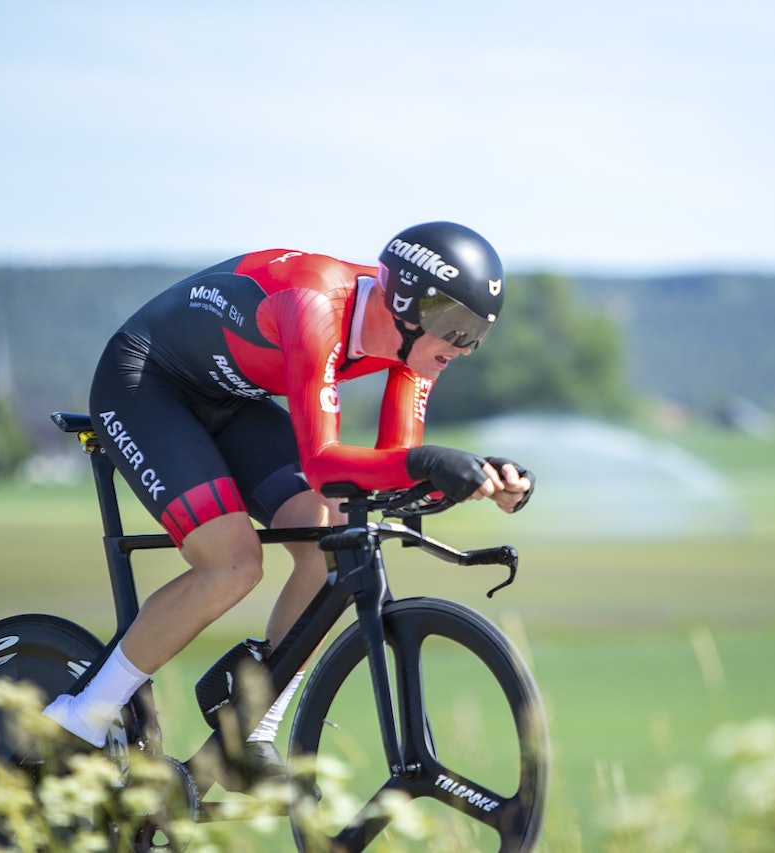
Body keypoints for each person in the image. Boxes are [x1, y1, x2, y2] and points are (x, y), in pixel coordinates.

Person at [40, 221, 534, 783]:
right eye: (456, 328)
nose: (464, 348)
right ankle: (77, 718)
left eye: (477, 333)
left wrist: (478, 479)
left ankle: (252, 728)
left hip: (232, 396)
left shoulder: (415, 350)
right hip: (147, 383)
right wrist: (429, 465)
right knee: (232, 564)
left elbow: (394, 472)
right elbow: (325, 463)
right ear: (405, 305)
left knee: (330, 547)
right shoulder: (315, 304)